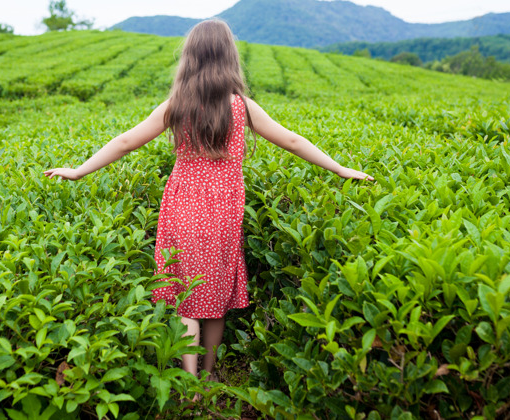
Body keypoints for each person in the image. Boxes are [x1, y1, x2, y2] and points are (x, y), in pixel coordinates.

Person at [44, 18, 374, 397]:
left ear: (190, 58)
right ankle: (209, 375)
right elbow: (294, 141)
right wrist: (340, 168)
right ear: (229, 57)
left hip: (182, 206)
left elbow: (124, 142)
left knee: (187, 294)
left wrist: (79, 171)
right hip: (223, 212)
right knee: (214, 295)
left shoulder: (176, 106)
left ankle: (187, 379)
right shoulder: (243, 107)